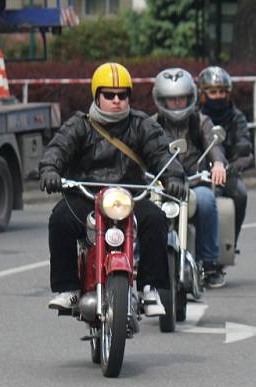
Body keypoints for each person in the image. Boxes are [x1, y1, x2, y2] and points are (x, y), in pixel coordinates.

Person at [40, 62, 186, 316]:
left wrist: (174, 177)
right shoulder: (79, 125)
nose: (116, 100)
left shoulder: (143, 125)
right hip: (88, 196)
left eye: (123, 95)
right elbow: (57, 149)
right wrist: (50, 171)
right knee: (60, 219)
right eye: (109, 95)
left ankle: (150, 288)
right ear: (97, 96)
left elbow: (163, 156)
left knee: (156, 219)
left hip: (129, 197)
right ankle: (68, 289)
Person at [151, 67, 228, 288]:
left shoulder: (200, 121)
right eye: (171, 99)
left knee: (206, 202)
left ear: (190, 96)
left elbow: (214, 145)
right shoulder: (151, 124)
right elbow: (140, 150)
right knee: (144, 209)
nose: (177, 103)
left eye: (181, 98)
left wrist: (219, 164)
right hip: (161, 185)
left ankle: (210, 264)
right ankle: (139, 259)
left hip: (194, 182)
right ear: (161, 99)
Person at [197, 66, 254, 249]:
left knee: (240, 194)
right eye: (213, 92)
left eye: (222, 91)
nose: (219, 95)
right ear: (203, 94)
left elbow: (245, 147)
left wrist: (237, 164)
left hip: (228, 171)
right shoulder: (195, 117)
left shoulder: (237, 118)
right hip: (198, 171)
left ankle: (230, 241)